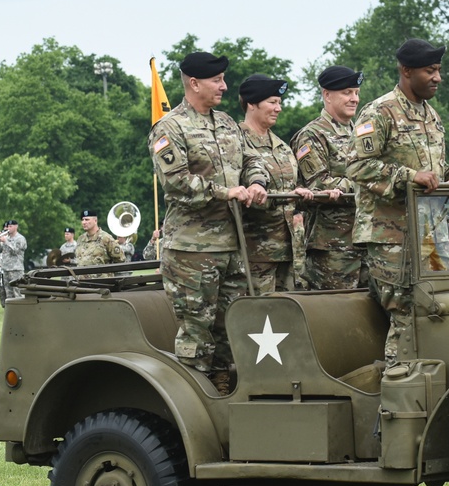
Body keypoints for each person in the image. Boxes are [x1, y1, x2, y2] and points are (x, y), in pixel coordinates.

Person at [346, 38, 449, 363]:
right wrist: (408, 176)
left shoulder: (430, 115)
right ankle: (398, 396)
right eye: (430, 70)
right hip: (391, 238)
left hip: (428, 236)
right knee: (408, 316)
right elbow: (357, 166)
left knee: (435, 315)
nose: (438, 78)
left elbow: (433, 169)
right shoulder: (379, 112)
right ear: (407, 71)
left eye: (439, 71)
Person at [148, 51, 268, 391]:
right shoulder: (169, 127)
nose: (224, 86)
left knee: (233, 331)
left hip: (232, 247)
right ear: (194, 83)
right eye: (217, 80)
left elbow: (252, 159)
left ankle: (226, 396)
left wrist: (257, 182)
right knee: (197, 336)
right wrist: (226, 192)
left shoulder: (228, 123)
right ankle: (195, 405)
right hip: (191, 251)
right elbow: (177, 183)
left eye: (223, 79)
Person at [291, 65, 368, 290]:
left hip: (364, 238)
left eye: (356, 92)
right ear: (327, 95)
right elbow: (319, 184)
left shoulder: (360, 133)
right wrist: (370, 182)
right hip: (333, 246)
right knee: (336, 313)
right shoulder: (312, 135)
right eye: (347, 93)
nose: (354, 98)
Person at [238, 73, 314, 293]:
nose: (278, 108)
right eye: (272, 102)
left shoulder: (282, 147)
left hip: (289, 253)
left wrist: (303, 195)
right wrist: (286, 196)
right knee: (258, 317)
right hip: (255, 254)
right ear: (252, 103)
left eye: (279, 103)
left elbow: (294, 187)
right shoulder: (235, 141)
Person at [0, 220, 28, 302]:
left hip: (16, 269)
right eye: (8, 226)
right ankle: (12, 313)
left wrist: (5, 241)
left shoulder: (20, 238)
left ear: (16, 227)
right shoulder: (6, 238)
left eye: (11, 226)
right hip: (6, 269)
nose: (9, 228)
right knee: (9, 294)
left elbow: (16, 251)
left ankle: (21, 313)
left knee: (18, 293)